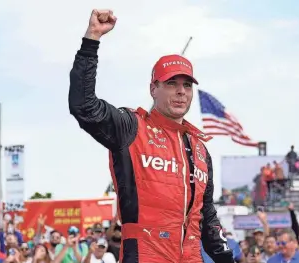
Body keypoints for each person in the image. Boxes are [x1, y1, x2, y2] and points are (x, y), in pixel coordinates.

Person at [68, 9, 233, 263]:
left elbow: (207, 215)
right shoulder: (131, 126)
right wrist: (92, 40)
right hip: (145, 254)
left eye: (187, 85)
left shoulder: (200, 148)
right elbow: (83, 106)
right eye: (171, 84)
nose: (181, 92)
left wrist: (226, 258)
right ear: (153, 89)